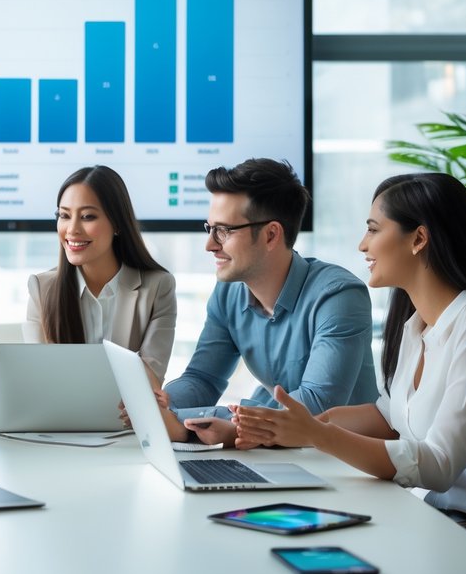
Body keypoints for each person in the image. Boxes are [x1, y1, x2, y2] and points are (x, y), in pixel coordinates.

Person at [234, 172, 466, 574]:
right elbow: (389, 415)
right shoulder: (418, 325)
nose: (362, 245)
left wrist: (317, 436)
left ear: (418, 239)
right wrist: (287, 425)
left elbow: (438, 465)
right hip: (458, 534)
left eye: (372, 229)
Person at [161, 158, 377, 446]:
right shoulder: (228, 293)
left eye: (224, 230)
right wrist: (161, 405)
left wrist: (229, 424)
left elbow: (317, 403)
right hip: (274, 453)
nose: (210, 244)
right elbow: (203, 379)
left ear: (271, 234)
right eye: (209, 229)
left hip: (343, 464)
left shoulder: (339, 296)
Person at [24, 165, 176, 383]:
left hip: (125, 416)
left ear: (117, 223)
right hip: (60, 417)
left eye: (87, 216)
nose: (72, 229)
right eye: (64, 215)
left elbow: (149, 380)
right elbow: (37, 379)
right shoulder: (41, 288)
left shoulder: (157, 287)